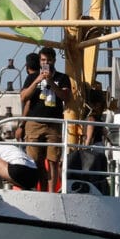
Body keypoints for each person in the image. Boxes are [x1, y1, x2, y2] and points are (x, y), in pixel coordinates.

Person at [19, 46, 71, 190]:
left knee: (53, 160)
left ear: (54, 60)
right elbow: (23, 96)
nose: (45, 62)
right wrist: (37, 80)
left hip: (53, 124)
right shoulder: (32, 77)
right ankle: (40, 189)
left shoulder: (62, 78)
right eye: (42, 60)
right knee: (35, 160)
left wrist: (51, 83)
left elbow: (66, 97)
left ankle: (52, 192)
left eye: (48, 60)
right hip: (34, 123)